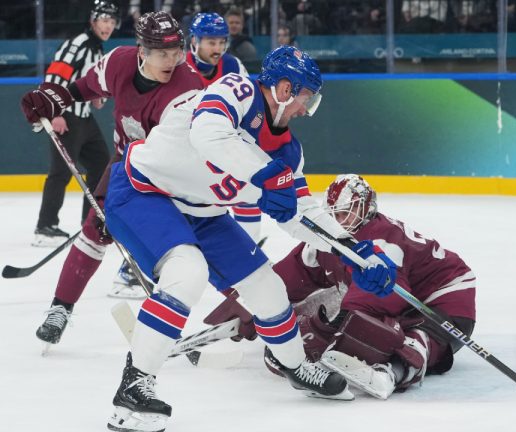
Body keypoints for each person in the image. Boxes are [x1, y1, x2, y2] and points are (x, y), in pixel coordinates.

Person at [100, 46, 398, 431]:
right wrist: (266, 175)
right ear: (285, 88)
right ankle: (134, 386)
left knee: (267, 286)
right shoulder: (237, 90)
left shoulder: (289, 152)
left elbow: (300, 214)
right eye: (307, 98)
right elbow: (209, 134)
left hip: (204, 212)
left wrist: (355, 251)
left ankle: (296, 367)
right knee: (186, 271)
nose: (306, 110)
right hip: (145, 192)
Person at [20, 11, 204, 347]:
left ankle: (173, 313)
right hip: (125, 164)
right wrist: (53, 100)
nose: (172, 60)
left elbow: (182, 156)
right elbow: (83, 87)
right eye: (162, 53)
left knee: (173, 248)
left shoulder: (189, 88)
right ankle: (60, 309)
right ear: (141, 50)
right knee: (95, 228)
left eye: (176, 51)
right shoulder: (118, 62)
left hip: (171, 175)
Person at [206, 174, 477, 400]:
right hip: (405, 303)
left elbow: (384, 297)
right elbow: (286, 278)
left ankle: (393, 373)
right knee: (329, 303)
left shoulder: (381, 240)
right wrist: (250, 305)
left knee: (418, 337)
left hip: (447, 297)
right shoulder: (326, 240)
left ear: (367, 209)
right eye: (336, 214)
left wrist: (333, 329)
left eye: (349, 213)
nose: (341, 221)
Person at [32, 2, 119, 247]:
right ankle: (44, 227)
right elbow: (54, 77)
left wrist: (99, 97)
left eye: (112, 22)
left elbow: (92, 86)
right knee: (60, 172)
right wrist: (54, 112)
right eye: (104, 20)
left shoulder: (98, 50)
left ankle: (90, 222)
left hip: (83, 118)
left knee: (102, 166)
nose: (108, 26)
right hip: (65, 116)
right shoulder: (78, 43)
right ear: (93, 20)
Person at [186, 12, 250, 88]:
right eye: (212, 43)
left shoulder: (233, 65)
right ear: (194, 41)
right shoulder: (179, 67)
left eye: (222, 42)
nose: (218, 49)